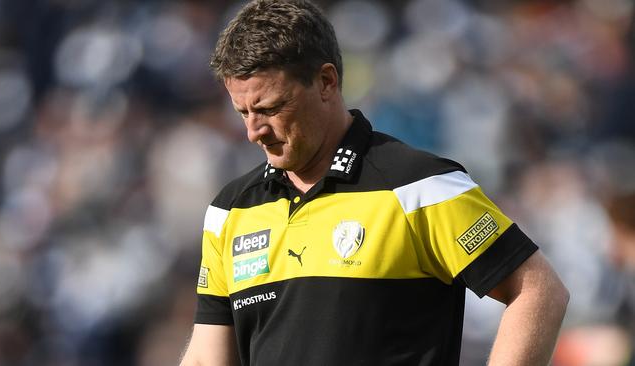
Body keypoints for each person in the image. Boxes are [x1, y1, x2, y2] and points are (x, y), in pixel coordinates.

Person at [179, 0, 569, 365]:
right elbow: (206, 355)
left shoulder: (420, 187)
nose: (253, 131)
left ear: (326, 82)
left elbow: (537, 291)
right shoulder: (230, 210)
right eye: (242, 112)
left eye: (270, 108)